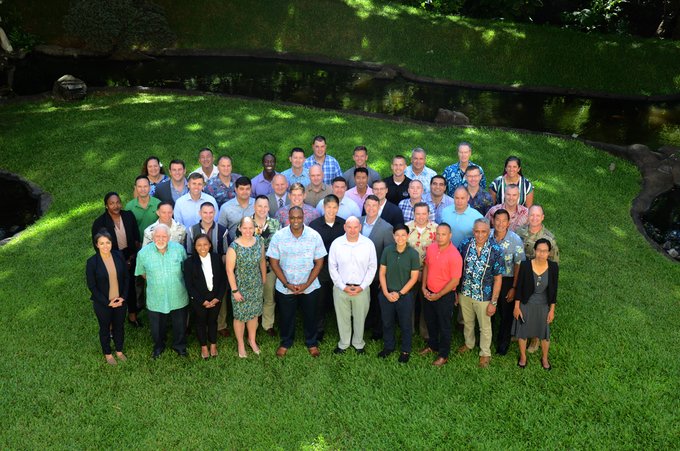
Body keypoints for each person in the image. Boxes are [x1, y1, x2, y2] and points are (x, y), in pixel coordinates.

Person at [267, 207, 326, 358]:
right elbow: (274, 262)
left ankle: (312, 343)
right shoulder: (279, 236)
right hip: (285, 286)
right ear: (288, 218)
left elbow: (319, 262)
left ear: (303, 217)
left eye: (299, 217)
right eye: (292, 218)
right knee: (286, 316)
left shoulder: (314, 236)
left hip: (309, 286)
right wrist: (286, 284)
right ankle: (286, 342)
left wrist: (306, 284)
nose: (296, 221)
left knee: (311, 315)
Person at [135, 224, 189, 359]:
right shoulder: (143, 253)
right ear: (152, 237)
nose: (160, 239)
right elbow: (142, 272)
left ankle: (180, 346)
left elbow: (185, 269)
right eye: (157, 236)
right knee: (156, 326)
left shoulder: (179, 249)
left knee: (180, 324)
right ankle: (158, 346)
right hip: (156, 296)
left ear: (169, 237)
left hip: (178, 294)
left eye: (164, 236)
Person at [457, 219, 504, 368]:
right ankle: (469, 344)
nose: (480, 235)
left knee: (485, 327)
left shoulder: (496, 250)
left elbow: (498, 279)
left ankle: (485, 353)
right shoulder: (465, 245)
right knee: (467, 322)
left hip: (484, 295)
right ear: (473, 231)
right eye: (477, 231)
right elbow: (457, 268)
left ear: (489, 232)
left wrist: (493, 302)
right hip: (465, 291)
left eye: (483, 232)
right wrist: (456, 291)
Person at [328, 216, 377, 354]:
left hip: (361, 288)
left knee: (360, 317)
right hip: (341, 288)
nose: (352, 230)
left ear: (360, 227)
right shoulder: (337, 244)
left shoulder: (368, 244)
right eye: (349, 227)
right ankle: (343, 343)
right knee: (342, 316)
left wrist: (363, 286)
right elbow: (332, 267)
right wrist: (342, 286)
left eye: (355, 227)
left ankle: (358, 343)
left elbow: (372, 267)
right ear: (345, 227)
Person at [91, 192, 141, 327]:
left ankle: (132, 316)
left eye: (118, 202)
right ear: (106, 206)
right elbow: (98, 246)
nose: (116, 206)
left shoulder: (128, 216)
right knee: (113, 287)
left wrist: (131, 258)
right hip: (112, 258)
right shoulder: (100, 223)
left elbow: (136, 237)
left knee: (130, 286)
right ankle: (112, 323)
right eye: (112, 203)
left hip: (130, 256)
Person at [515, 204, 559, 354]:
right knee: (522, 303)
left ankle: (535, 338)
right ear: (527, 216)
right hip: (522, 274)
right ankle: (521, 329)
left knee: (539, 307)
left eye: (537, 215)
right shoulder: (519, 232)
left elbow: (554, 263)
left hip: (540, 276)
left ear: (542, 217)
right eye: (531, 215)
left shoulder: (549, 238)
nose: (534, 218)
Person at [419, 223, 463, 367]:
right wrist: (423, 286)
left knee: (444, 325)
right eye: (438, 234)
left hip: (444, 295)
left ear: (450, 236)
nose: (440, 237)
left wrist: (439, 295)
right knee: (430, 321)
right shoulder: (432, 248)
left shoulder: (455, 255)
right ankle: (432, 345)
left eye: (443, 234)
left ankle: (443, 354)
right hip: (429, 292)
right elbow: (426, 266)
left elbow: (455, 280)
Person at [513, 239, 559, 370]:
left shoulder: (553, 267)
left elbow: (554, 290)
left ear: (549, 253)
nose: (541, 254)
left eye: (544, 251)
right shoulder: (525, 265)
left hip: (543, 304)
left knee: (544, 333)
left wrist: (552, 310)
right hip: (526, 303)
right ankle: (523, 357)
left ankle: (544, 357)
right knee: (522, 331)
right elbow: (519, 287)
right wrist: (516, 307)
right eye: (539, 250)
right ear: (534, 251)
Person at [378, 224, 420, 363]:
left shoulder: (413, 254)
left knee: (405, 323)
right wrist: (386, 292)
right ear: (393, 236)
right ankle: (388, 347)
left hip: (404, 295)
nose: (400, 238)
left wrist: (399, 293)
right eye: (397, 235)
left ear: (407, 236)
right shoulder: (387, 251)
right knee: (387, 322)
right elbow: (382, 273)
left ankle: (405, 350)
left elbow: (414, 278)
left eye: (403, 235)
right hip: (387, 293)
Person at [86, 230, 129, 365]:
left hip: (120, 301)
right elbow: (92, 286)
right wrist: (108, 303)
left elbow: (126, 278)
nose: (105, 246)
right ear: (97, 245)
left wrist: (123, 297)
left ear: (111, 243)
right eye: (102, 243)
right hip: (103, 304)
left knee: (119, 326)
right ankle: (108, 353)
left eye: (108, 242)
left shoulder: (119, 256)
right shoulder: (92, 262)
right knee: (105, 328)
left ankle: (119, 350)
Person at [226, 217, 267, 358]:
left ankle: (252, 340)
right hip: (240, 286)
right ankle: (241, 344)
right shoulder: (234, 247)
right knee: (240, 316)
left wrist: (264, 279)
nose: (248, 231)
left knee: (254, 314)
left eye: (251, 228)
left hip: (256, 285)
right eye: (245, 228)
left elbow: (262, 260)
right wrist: (235, 290)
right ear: (239, 228)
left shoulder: (259, 242)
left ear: (255, 228)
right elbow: (229, 270)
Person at [184, 234, 227, 359]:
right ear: (195, 247)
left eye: (205, 244)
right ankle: (203, 346)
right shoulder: (189, 263)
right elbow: (189, 285)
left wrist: (218, 298)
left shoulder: (216, 258)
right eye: (199, 245)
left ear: (210, 245)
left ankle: (213, 345)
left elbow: (223, 279)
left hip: (215, 297)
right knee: (201, 322)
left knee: (213, 321)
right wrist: (202, 301)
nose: (202, 247)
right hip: (199, 299)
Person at [309, 195, 346, 342]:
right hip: (321, 268)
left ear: (338, 208)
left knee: (341, 299)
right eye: (328, 207)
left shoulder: (344, 225)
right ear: (324, 207)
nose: (331, 210)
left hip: (340, 268)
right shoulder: (314, 225)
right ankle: (319, 330)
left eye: (334, 207)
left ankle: (343, 328)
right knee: (320, 300)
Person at [490, 209, 525, 356]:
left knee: (506, 314)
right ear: (493, 221)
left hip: (507, 279)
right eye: (497, 220)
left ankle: (503, 344)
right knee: (488, 311)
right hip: (489, 279)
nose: (500, 223)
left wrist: (514, 287)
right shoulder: (487, 235)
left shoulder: (515, 239)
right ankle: (486, 340)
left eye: (504, 221)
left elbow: (519, 264)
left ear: (508, 223)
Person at [360, 195, 395, 340]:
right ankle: (364, 325)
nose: (371, 208)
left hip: (376, 275)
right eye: (368, 205)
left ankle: (377, 331)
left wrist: (384, 277)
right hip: (358, 274)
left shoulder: (386, 228)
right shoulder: (357, 222)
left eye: (374, 205)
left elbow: (389, 255)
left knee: (376, 303)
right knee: (363, 302)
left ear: (379, 207)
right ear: (364, 206)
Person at [249, 195, 281, 337]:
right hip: (251, 268)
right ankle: (252, 324)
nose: (262, 209)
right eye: (259, 206)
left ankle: (268, 324)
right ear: (254, 207)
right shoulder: (246, 223)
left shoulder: (275, 224)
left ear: (268, 208)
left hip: (270, 267)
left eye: (265, 206)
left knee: (269, 296)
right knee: (252, 297)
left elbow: (280, 245)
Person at [405, 202, 438, 340]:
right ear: (413, 214)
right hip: (409, 273)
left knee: (427, 304)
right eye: (418, 213)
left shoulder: (436, 229)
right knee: (408, 303)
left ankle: (426, 332)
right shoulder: (406, 228)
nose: (421, 217)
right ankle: (409, 331)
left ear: (428, 214)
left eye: (424, 213)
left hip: (429, 273)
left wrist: (423, 272)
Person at [125, 175, 161, 240]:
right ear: (135, 187)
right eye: (139, 186)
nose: (143, 189)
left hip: (156, 241)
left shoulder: (158, 204)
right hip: (137, 242)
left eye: (145, 186)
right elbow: (128, 228)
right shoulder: (129, 206)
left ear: (149, 187)